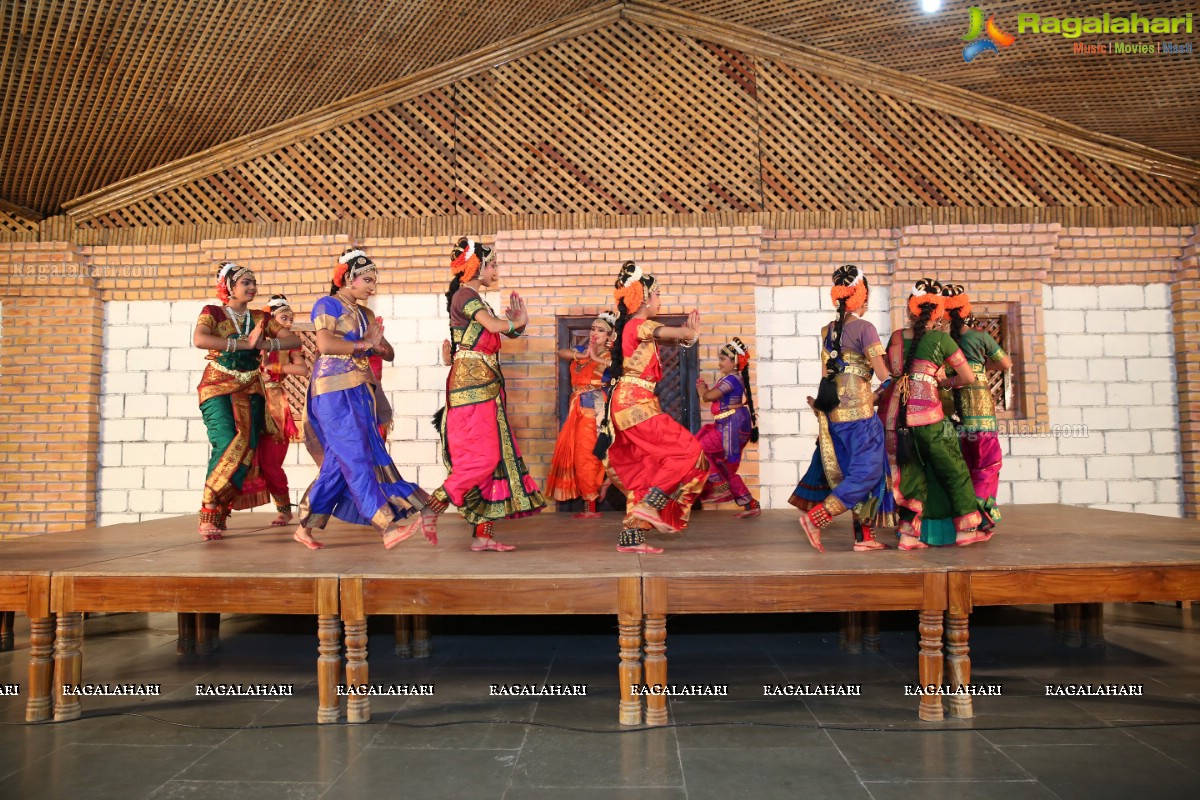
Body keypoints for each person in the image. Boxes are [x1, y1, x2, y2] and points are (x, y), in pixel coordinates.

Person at [292, 249, 429, 550]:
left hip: (361, 390)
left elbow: (388, 352)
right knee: (355, 456)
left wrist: (378, 345)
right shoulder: (326, 304)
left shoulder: (365, 315)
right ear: (347, 278)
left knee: (341, 461)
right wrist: (364, 343)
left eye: (374, 281)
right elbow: (326, 343)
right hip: (331, 391)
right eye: (367, 279)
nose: (372, 287)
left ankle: (306, 526)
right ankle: (387, 526)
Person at [422, 237, 546, 551]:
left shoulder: (474, 297)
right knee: (484, 458)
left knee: (496, 461)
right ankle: (432, 506)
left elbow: (494, 332)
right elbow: (492, 326)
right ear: (477, 266)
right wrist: (513, 323)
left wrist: (520, 324)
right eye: (493, 264)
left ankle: (483, 535)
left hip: (485, 386)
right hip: (472, 388)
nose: (496, 269)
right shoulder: (466, 295)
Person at [598, 260, 708, 554]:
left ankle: (632, 537)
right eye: (658, 295)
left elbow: (666, 338)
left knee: (647, 470)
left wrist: (685, 336)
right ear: (645, 298)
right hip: (636, 405)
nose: (660, 301)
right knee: (689, 451)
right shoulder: (638, 325)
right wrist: (687, 333)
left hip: (630, 405)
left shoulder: (632, 328)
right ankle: (649, 506)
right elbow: (665, 334)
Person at [789, 265, 895, 552]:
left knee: (855, 474)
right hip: (861, 418)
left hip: (835, 418)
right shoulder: (865, 328)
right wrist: (883, 390)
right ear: (861, 295)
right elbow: (885, 375)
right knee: (868, 473)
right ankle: (816, 519)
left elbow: (826, 378)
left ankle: (864, 537)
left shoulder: (827, 331)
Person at [192, 263, 300, 540]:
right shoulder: (212, 312)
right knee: (227, 440)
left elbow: (292, 340)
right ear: (229, 286)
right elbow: (200, 339)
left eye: (254, 282)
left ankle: (221, 510)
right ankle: (209, 506)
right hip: (217, 387)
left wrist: (264, 345)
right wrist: (244, 345)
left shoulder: (259, 317)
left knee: (246, 450)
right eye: (245, 283)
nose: (252, 287)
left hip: (251, 389)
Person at [883, 278, 993, 549]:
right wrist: (944, 382)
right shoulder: (942, 338)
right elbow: (967, 377)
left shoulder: (896, 337)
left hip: (896, 418)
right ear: (940, 312)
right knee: (955, 470)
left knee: (912, 473)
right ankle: (966, 531)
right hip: (929, 418)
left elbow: (889, 375)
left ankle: (909, 535)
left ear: (911, 309)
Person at [941, 284, 1011, 526]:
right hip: (979, 405)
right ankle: (978, 512)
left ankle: (962, 512)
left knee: (966, 462)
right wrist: (981, 367)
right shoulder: (979, 336)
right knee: (989, 461)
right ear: (967, 310)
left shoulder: (944, 340)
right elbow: (1005, 363)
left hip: (951, 405)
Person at [545, 312, 615, 518]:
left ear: (610, 336)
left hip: (595, 408)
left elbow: (620, 371)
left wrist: (595, 357)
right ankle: (593, 496)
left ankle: (592, 505)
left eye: (600, 330)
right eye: (593, 329)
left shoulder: (613, 356)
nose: (594, 333)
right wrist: (583, 356)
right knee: (580, 455)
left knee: (589, 456)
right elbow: (561, 353)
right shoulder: (582, 350)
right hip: (578, 407)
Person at [695, 337, 761, 518]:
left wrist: (702, 391)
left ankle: (720, 486)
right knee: (726, 468)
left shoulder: (732, 379)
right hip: (729, 425)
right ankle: (751, 504)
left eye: (723, 359)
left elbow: (709, 397)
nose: (719, 363)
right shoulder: (730, 378)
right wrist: (706, 393)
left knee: (698, 448)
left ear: (734, 362)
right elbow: (713, 397)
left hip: (731, 427)